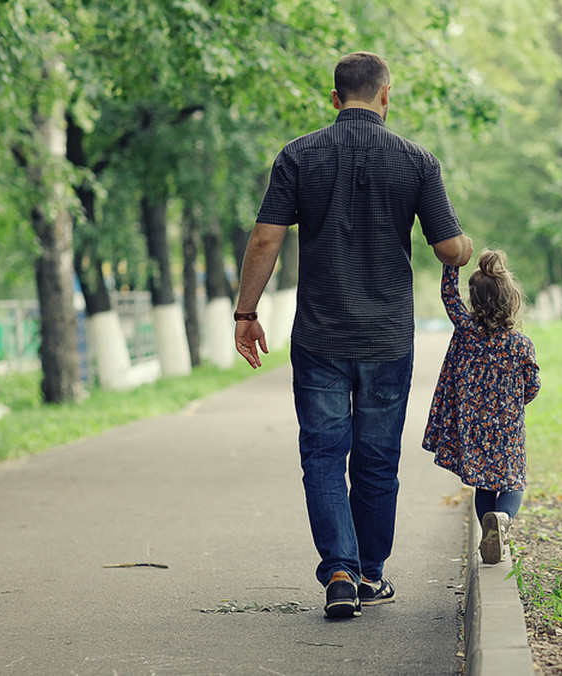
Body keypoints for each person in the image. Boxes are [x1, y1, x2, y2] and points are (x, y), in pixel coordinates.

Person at [233, 51, 474, 620]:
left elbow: (266, 239)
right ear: (386, 96)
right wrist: (465, 249)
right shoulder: (417, 161)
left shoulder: (297, 155)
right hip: (388, 337)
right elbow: (448, 248)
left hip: (320, 333)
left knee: (321, 454)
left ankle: (339, 572)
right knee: (375, 458)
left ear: (335, 98)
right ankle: (369, 573)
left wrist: (246, 313)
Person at [423, 250, 540, 565]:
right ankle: (502, 521)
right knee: (513, 481)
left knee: (483, 482)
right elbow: (533, 386)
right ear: (512, 300)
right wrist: (517, 402)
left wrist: (452, 254)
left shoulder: (467, 332)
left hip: (474, 426)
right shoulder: (520, 344)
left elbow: (449, 294)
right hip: (508, 427)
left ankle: (489, 529)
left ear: (474, 302)